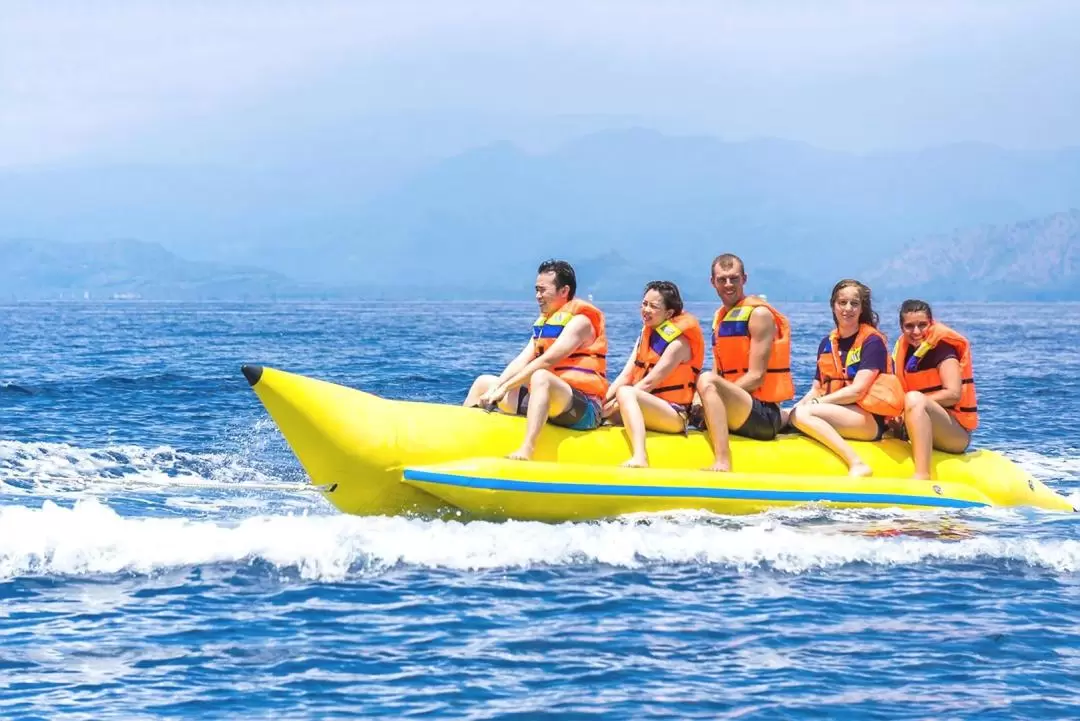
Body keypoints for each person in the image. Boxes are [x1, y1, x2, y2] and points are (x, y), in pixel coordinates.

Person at [463, 259, 608, 460]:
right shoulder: (546, 325)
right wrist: (497, 388)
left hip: (584, 410)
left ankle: (528, 449)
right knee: (483, 383)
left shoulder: (580, 323)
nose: (538, 296)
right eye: (536, 290)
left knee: (541, 376)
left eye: (543, 290)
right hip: (550, 401)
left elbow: (547, 361)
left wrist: (505, 389)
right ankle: (464, 440)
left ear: (564, 291)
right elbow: (521, 360)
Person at [788, 279, 905, 477]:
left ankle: (857, 463)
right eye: (842, 302)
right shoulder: (827, 342)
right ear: (833, 306)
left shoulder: (872, 342)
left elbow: (857, 390)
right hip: (836, 411)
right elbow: (816, 388)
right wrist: (792, 410)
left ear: (861, 309)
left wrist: (812, 405)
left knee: (801, 415)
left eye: (854, 303)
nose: (848, 308)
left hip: (868, 419)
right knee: (788, 414)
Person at [695, 254, 795, 472]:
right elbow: (717, 370)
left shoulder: (759, 314)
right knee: (703, 383)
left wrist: (716, 395)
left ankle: (723, 460)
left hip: (764, 415)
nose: (728, 285)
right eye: (722, 279)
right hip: (737, 406)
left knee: (706, 380)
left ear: (744, 279)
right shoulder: (720, 317)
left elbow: (756, 376)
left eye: (734, 278)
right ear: (713, 282)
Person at [603, 281, 705, 468]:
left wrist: (614, 406)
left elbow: (649, 382)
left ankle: (640, 457)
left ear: (669, 313)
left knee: (625, 393)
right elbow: (626, 375)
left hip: (674, 414)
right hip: (648, 405)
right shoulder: (645, 335)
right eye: (644, 304)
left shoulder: (679, 344)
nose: (646, 310)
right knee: (604, 411)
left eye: (653, 306)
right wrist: (601, 404)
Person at [891, 299, 978, 479]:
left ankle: (923, 475)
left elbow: (953, 394)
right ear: (901, 328)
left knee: (914, 399)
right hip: (917, 422)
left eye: (922, 325)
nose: (916, 331)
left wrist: (911, 403)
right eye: (909, 326)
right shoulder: (903, 352)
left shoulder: (943, 350)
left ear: (931, 323)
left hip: (954, 433)